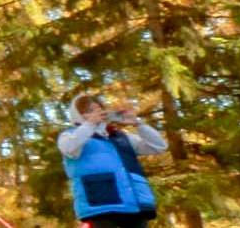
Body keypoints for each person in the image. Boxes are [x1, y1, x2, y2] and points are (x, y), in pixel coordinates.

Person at [59, 92, 166, 226]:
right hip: (100, 206)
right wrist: (90, 125)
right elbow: (69, 148)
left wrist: (138, 124)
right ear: (78, 115)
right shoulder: (69, 135)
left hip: (134, 205)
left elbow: (159, 146)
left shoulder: (120, 136)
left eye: (99, 109)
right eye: (90, 111)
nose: (97, 113)